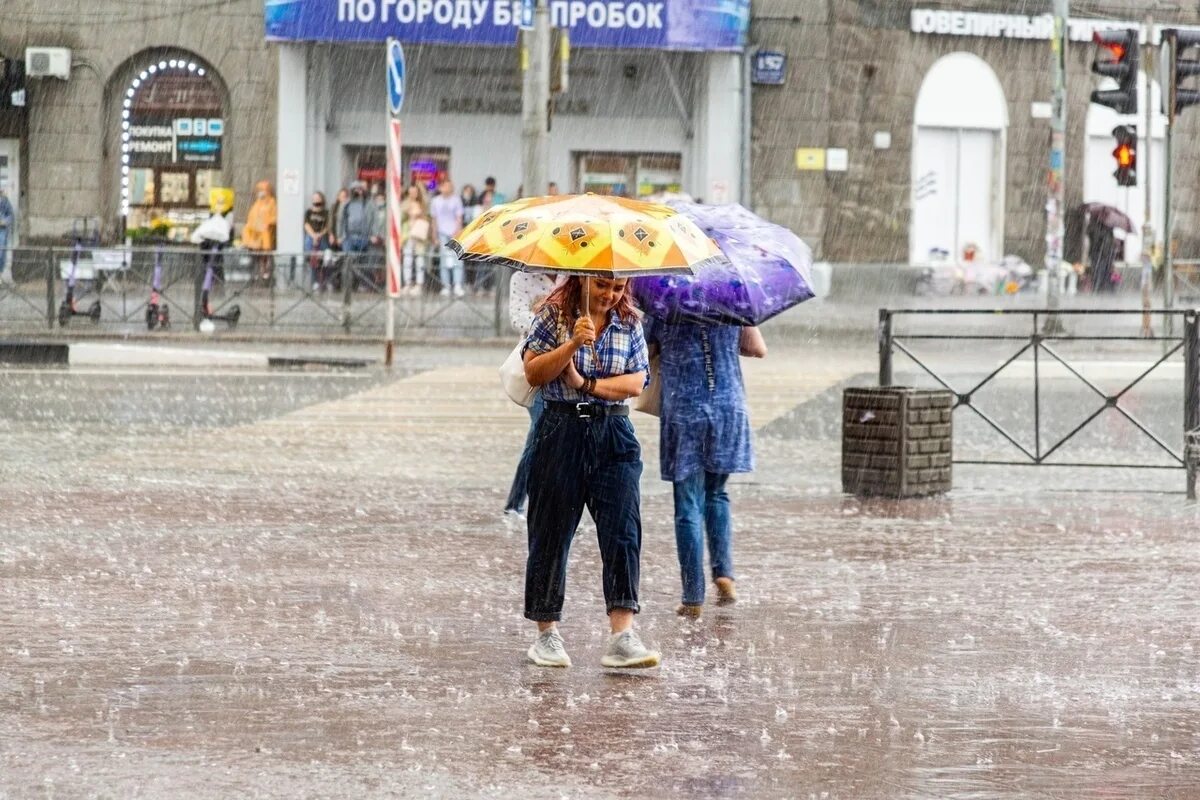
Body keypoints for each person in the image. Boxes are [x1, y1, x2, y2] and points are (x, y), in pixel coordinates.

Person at [521, 275, 660, 669]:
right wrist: (571, 345)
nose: (611, 294)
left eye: (618, 286)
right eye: (602, 284)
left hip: (614, 432)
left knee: (623, 532)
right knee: (550, 531)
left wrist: (586, 383)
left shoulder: (629, 321)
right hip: (560, 429)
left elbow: (636, 382)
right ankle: (546, 634)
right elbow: (534, 373)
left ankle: (622, 634)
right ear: (582, 280)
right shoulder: (554, 315)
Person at [642, 318, 767, 618]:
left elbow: (645, 352)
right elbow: (756, 348)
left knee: (688, 505)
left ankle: (692, 595)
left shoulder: (665, 303)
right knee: (717, 493)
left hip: (684, 409)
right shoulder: (733, 298)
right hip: (727, 406)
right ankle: (724, 574)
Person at [503, 271, 559, 517]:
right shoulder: (522, 278)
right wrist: (551, 322)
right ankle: (543, 505)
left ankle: (517, 502)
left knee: (542, 434)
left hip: (564, 367)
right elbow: (517, 319)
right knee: (544, 429)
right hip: (532, 365)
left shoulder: (572, 275)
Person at [430, 178, 465, 298]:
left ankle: (457, 285)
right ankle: (446, 285)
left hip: (454, 232)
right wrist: (434, 235)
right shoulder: (435, 201)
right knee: (444, 260)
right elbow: (434, 219)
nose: (448, 188)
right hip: (442, 232)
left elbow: (459, 217)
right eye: (446, 186)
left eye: (450, 186)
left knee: (457, 259)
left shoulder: (456, 200)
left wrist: (458, 232)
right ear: (440, 187)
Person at [339, 181, 376, 290]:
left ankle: (362, 285)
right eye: (355, 189)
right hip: (349, 237)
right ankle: (347, 285)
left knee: (363, 263)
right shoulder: (346, 204)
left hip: (364, 237)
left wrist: (374, 234)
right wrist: (341, 235)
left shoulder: (368, 204)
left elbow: (374, 220)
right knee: (348, 262)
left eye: (359, 189)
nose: (357, 191)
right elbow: (341, 220)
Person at [243, 180, 277, 284]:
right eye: (259, 190)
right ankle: (257, 273)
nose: (260, 192)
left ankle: (265, 272)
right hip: (254, 233)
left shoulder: (272, 202)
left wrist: (266, 223)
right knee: (255, 253)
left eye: (262, 190)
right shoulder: (257, 203)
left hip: (266, 233)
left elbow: (275, 218)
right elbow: (251, 217)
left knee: (264, 254)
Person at [401, 184, 431, 296]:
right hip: (407, 234)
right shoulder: (404, 204)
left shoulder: (423, 204)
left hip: (419, 235)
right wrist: (407, 214)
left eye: (415, 192)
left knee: (420, 259)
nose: (413, 194)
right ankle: (407, 283)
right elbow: (400, 218)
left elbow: (428, 217)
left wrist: (419, 216)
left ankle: (419, 284)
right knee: (407, 259)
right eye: (411, 192)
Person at [303, 192, 332, 292]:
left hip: (322, 236)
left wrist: (319, 235)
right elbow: (306, 225)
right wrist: (313, 235)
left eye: (317, 197)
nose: (315, 199)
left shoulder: (326, 213)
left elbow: (328, 226)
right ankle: (314, 281)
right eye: (314, 197)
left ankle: (327, 280)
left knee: (326, 258)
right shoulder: (309, 212)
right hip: (311, 236)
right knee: (313, 257)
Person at [0, 183, 13, 282]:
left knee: (1, 253)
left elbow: (10, 215)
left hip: (2, 230)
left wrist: (4, 221)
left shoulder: (4, 201)